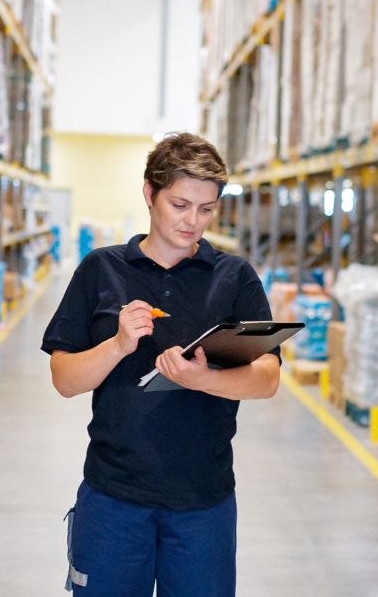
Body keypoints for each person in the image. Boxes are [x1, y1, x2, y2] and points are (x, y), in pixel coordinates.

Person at [42, 132, 279, 597]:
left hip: (203, 500)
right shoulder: (102, 270)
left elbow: (268, 379)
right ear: (150, 194)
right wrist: (117, 345)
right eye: (180, 205)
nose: (193, 221)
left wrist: (203, 378)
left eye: (206, 209)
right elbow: (65, 380)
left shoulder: (233, 278)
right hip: (114, 496)